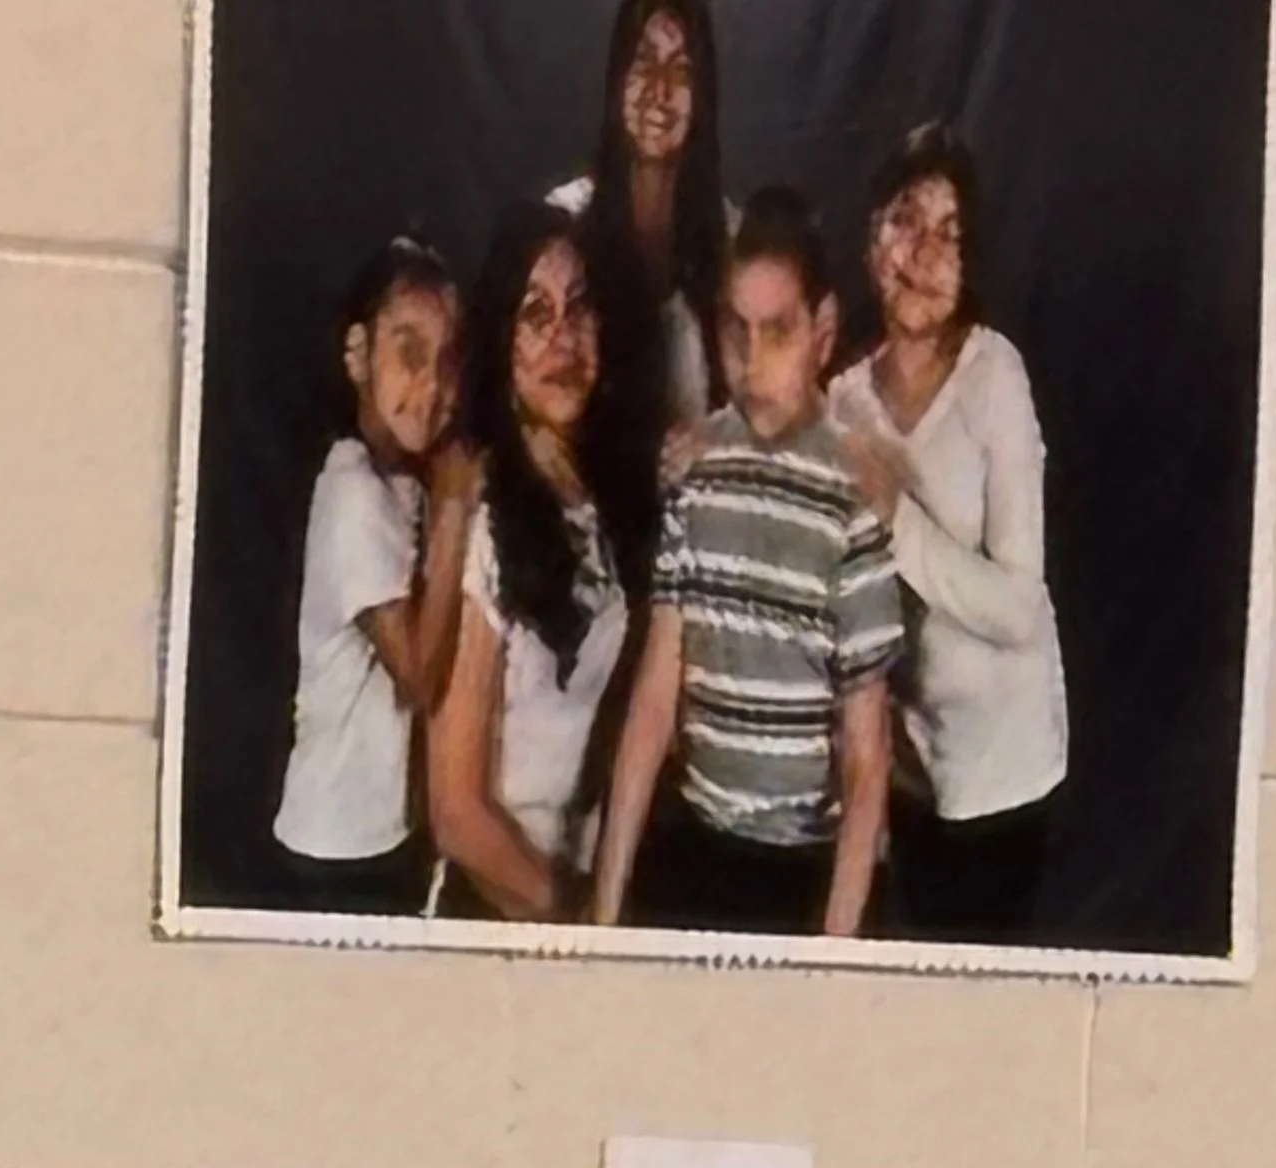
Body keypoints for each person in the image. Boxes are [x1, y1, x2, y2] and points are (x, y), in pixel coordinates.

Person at [592, 193, 901, 940]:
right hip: (700, 848)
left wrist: (833, 951)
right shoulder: (697, 472)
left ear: (822, 332)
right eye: (737, 331)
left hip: (805, 871)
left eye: (778, 332)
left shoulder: (850, 500)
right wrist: (603, 913)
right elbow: (654, 701)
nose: (752, 361)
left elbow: (867, 762)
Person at [830, 127, 1071, 944]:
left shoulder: (995, 374)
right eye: (906, 221)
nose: (924, 253)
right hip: (903, 776)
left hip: (1006, 775)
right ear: (872, 238)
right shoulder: (843, 401)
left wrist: (897, 515)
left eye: (950, 234)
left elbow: (1017, 609)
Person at [428, 208, 631, 922]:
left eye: (579, 309)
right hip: (497, 908)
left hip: (582, 888)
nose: (563, 340)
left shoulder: (603, 500)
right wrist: (572, 920)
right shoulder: (480, 521)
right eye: (535, 315)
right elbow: (456, 812)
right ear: (500, 341)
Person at [270, 239, 475, 916]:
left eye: (448, 361)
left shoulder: (400, 480)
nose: (432, 387)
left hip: (383, 840)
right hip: (335, 848)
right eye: (409, 353)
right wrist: (454, 508)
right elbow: (416, 675)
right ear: (358, 355)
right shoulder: (352, 490)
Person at [549, 0, 730, 569]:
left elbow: (769, 407)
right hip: (580, 552)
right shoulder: (562, 228)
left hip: (703, 554)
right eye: (643, 62)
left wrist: (721, 441)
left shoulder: (733, 240)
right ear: (615, 79)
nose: (659, 90)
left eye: (681, 69)